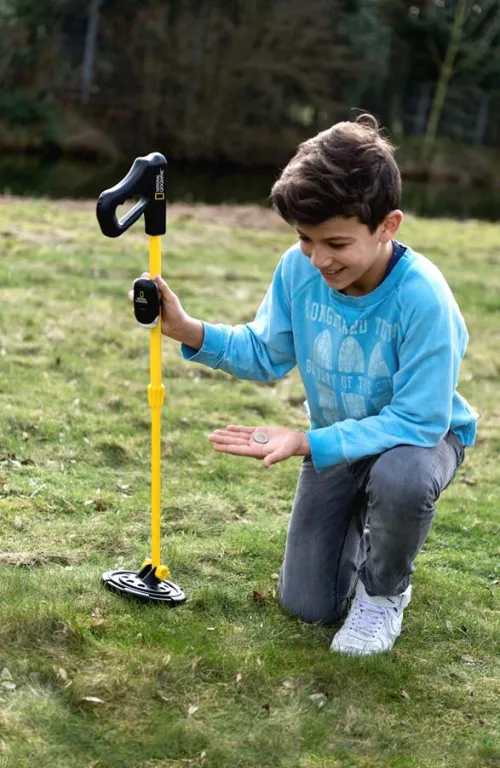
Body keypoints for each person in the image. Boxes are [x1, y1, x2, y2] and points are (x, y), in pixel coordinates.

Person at [134, 114, 478, 655]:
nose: (319, 259)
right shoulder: (300, 271)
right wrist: (188, 330)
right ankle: (370, 525)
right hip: (340, 439)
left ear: (388, 225)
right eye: (304, 240)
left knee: (402, 478)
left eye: (336, 243)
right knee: (306, 606)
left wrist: (305, 442)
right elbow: (267, 352)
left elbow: (419, 419)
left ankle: (385, 591)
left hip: (420, 439)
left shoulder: (424, 298)